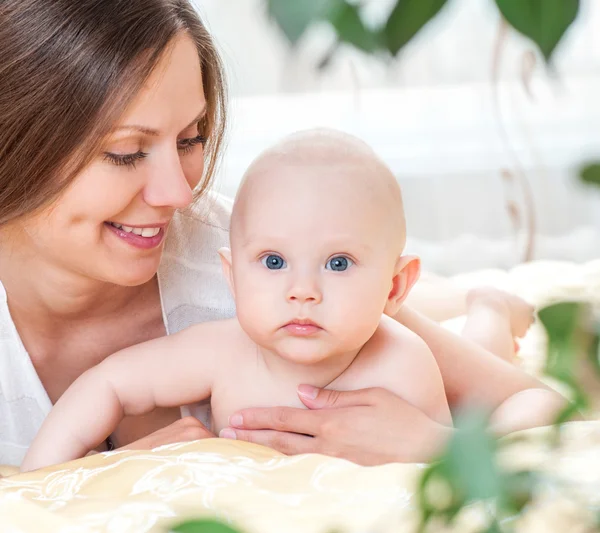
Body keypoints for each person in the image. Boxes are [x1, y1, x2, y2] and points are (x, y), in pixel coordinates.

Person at [0, 0, 567, 469]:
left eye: (191, 139)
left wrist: (432, 446)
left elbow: (540, 408)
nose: (177, 193)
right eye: (126, 153)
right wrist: (101, 478)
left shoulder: (273, 268)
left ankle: (486, 308)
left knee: (447, 334)